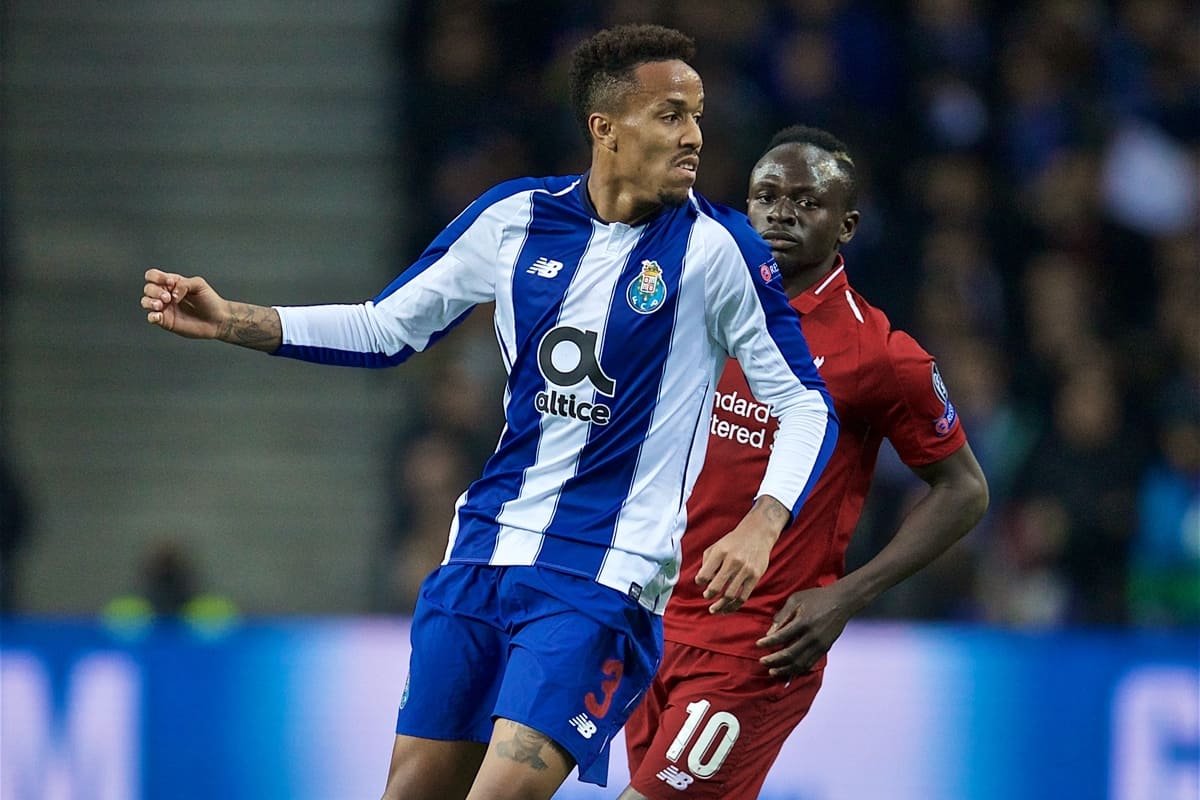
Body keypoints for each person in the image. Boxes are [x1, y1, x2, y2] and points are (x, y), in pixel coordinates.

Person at [139, 25, 838, 800]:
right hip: (481, 556)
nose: (696, 136)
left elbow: (805, 405)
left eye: (699, 115)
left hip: (603, 578)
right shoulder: (514, 218)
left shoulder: (720, 251)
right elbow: (384, 329)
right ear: (605, 128)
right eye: (672, 114)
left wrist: (763, 520)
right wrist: (235, 318)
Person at [621, 126, 990, 799]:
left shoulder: (876, 353)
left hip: (758, 645)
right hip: (652, 620)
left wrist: (848, 596)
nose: (782, 212)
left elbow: (963, 490)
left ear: (847, 225)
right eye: (767, 196)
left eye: (806, 201)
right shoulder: (697, 304)